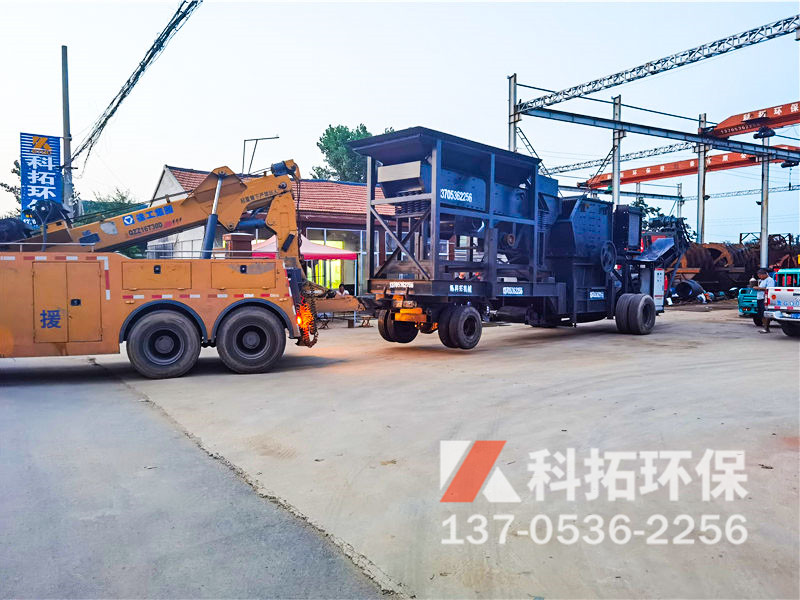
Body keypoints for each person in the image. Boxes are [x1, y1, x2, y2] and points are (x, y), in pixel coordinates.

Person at [753, 268, 775, 333]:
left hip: (764, 299)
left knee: (765, 313)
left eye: (760, 276)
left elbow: (769, 289)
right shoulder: (762, 280)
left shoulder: (770, 280)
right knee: (761, 314)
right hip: (759, 298)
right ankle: (764, 327)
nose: (759, 277)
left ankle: (766, 328)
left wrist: (758, 288)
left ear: (764, 274)